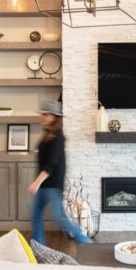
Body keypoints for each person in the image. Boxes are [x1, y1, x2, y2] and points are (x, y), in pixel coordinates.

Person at [28, 100, 92, 245]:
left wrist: (37, 182)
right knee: (35, 215)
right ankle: (38, 246)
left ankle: (85, 241)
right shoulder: (47, 135)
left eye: (46, 114)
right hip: (44, 185)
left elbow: (51, 164)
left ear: (54, 117)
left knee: (59, 217)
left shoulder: (57, 137)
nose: (42, 117)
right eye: (42, 114)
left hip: (52, 185)